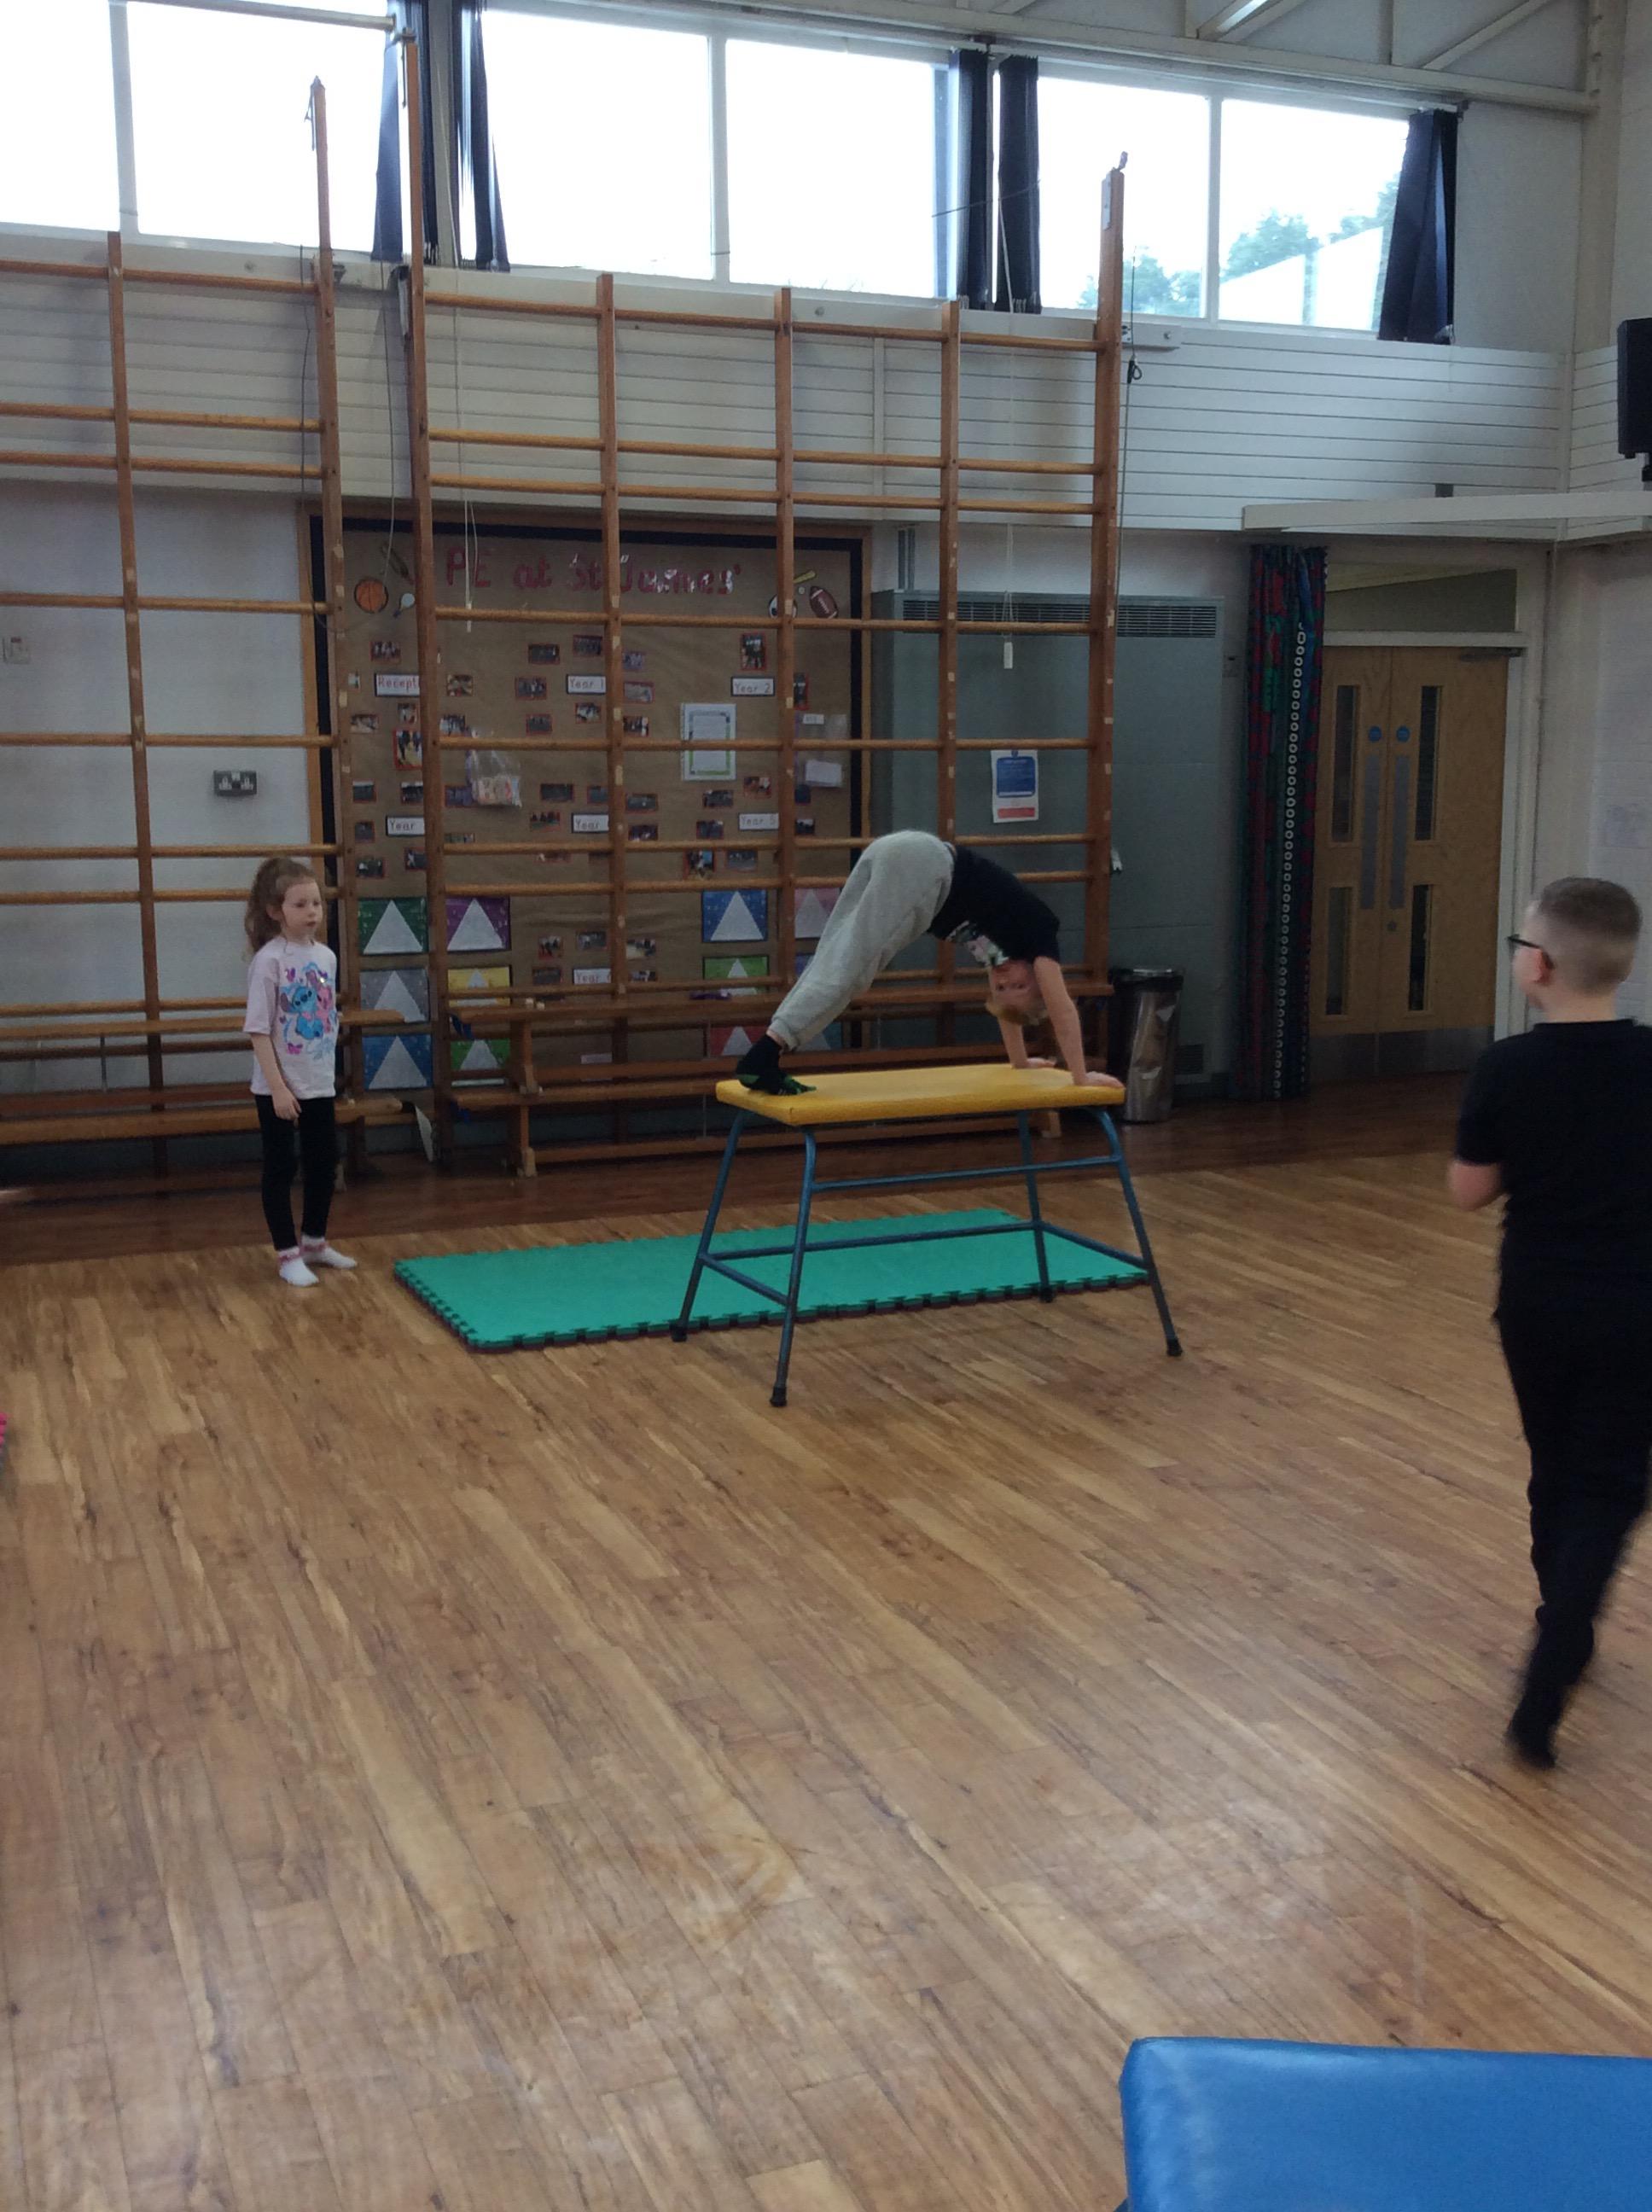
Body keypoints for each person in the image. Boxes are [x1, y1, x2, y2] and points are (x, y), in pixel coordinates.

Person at [1451, 877, 1652, 1768]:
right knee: (1609, 1487)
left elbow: (1469, 1191)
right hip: (1636, 1306)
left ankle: (1556, 1620)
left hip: (1536, 1305)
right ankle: (1555, 1654)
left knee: (1555, 1465)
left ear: (1536, 966)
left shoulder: (1506, 1067)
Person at [736, 830, 1110, 1093]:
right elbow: (1062, 1008)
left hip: (899, 851)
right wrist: (1080, 1076)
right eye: (1020, 985)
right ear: (1039, 979)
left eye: (1001, 987)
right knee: (851, 967)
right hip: (925, 869)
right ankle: (765, 1053)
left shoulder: (999, 954)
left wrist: (1021, 1062)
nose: (1005, 978)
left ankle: (768, 1049)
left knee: (835, 955)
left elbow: (1005, 1010)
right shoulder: (1040, 935)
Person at [242, 855, 355, 1288]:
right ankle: (287, 1253)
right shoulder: (269, 962)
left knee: (324, 1162)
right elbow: (258, 1030)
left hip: (318, 1082)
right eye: (300, 905)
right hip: (279, 1087)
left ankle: (314, 1241)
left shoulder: (325, 958)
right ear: (276, 911)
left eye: (316, 904)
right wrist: (278, 1089)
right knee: (281, 1166)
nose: (311, 912)